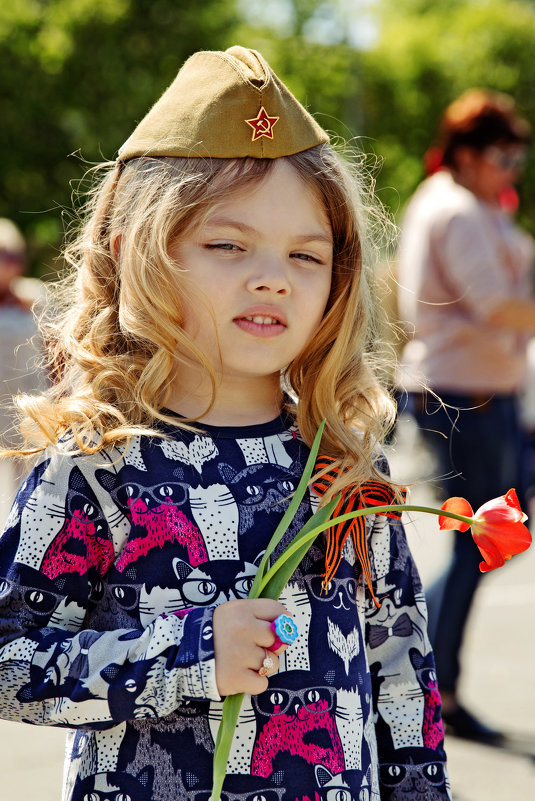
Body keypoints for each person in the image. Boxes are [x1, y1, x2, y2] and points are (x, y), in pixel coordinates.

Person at [0, 47, 449, 801]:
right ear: (135, 253)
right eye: (225, 245)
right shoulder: (98, 462)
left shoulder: (343, 465)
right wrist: (191, 651)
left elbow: (403, 684)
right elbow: (10, 662)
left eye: (306, 255)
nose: (271, 275)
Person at [397, 89, 535, 743]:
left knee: (491, 536)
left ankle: (415, 668)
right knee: (482, 537)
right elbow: (496, 306)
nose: (514, 167)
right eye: (506, 154)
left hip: (487, 395)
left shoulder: (472, 206)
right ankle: (428, 682)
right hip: (462, 399)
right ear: (472, 155)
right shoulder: (453, 210)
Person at [0, 218, 47, 513]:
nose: (11, 263)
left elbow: (56, 350)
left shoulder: (35, 295)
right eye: (4, 255)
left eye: (15, 255)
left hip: (28, 403)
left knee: (27, 490)